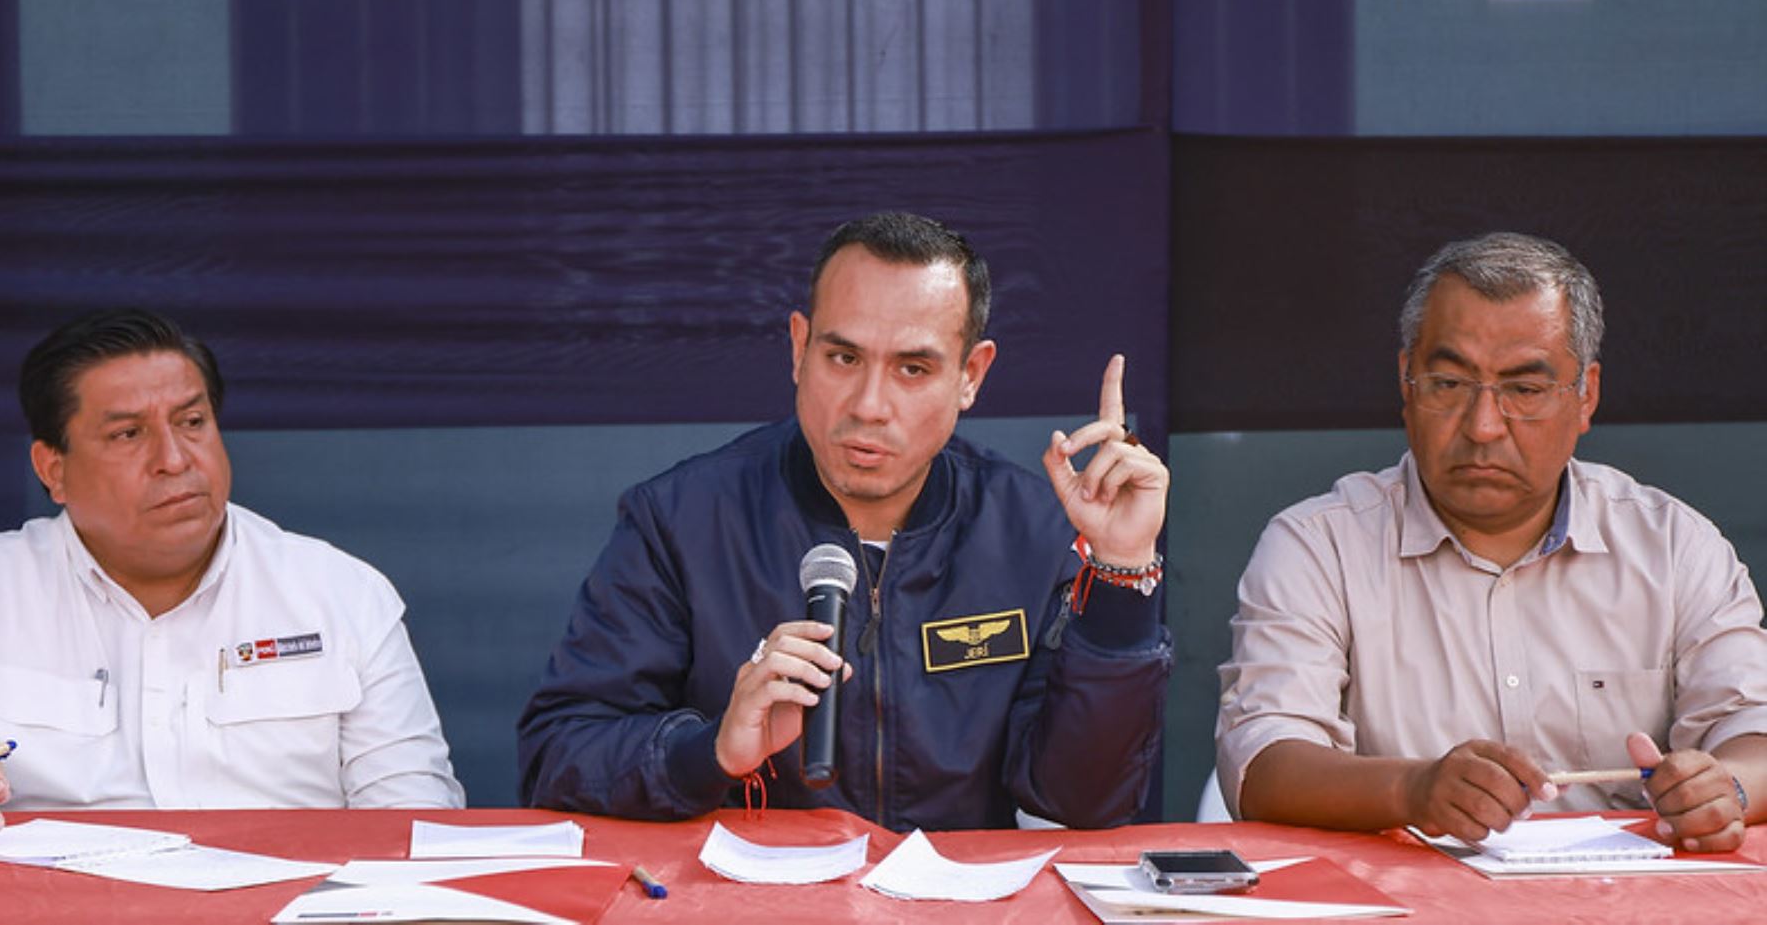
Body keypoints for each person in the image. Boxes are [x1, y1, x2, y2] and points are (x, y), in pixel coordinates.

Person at [518, 211, 1173, 830]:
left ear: (971, 375)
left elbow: (1084, 802)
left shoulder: (1033, 531)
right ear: (799, 347)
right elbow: (558, 756)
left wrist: (1119, 574)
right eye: (843, 358)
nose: (869, 405)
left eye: (913, 368)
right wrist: (709, 747)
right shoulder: (681, 520)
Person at [1216, 232, 1767, 852]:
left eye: (1524, 391)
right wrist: (1413, 790)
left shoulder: (1672, 547)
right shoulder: (1319, 546)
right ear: (1407, 381)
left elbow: (1752, 728)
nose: (1482, 427)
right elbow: (1263, 764)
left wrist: (1727, 789)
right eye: (1449, 384)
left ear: (1585, 395)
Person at [0, 308, 463, 841]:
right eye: (129, 434)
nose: (175, 459)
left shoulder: (341, 594)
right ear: (53, 470)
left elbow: (415, 822)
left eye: (192, 422)